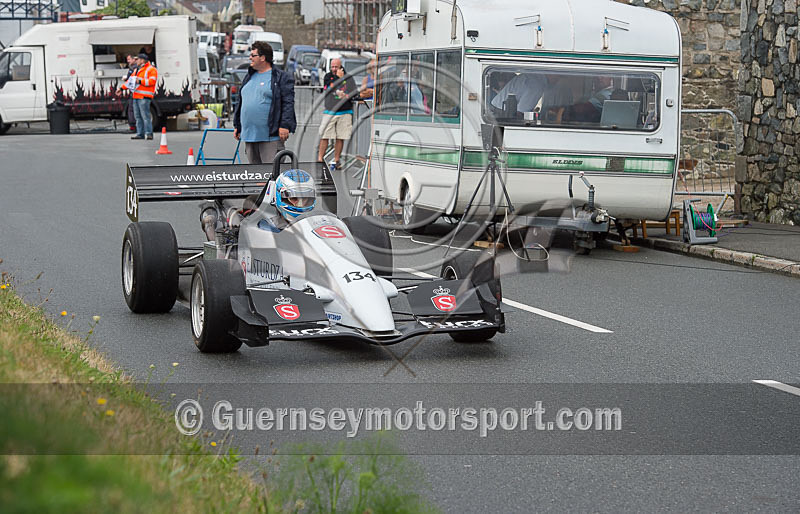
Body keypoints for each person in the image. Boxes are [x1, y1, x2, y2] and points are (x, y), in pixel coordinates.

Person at [233, 41, 296, 164]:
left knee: (270, 175)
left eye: (253, 55)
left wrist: (285, 125)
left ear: (263, 58)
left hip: (270, 136)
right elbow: (242, 101)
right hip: (250, 135)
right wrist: (238, 126)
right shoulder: (249, 76)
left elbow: (287, 103)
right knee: (256, 176)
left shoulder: (280, 77)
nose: (250, 58)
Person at [317, 58, 357, 169]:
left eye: (336, 67)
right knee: (325, 135)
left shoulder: (348, 77)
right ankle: (320, 159)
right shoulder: (328, 76)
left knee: (340, 137)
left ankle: (336, 160)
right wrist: (338, 77)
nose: (334, 69)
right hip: (330, 111)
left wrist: (347, 95)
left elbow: (354, 92)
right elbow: (328, 88)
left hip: (345, 111)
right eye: (332, 67)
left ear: (341, 67)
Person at [124, 53, 157, 140]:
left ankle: (149, 133)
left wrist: (140, 81)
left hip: (144, 96)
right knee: (138, 117)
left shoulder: (151, 69)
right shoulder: (137, 70)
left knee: (145, 116)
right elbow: (130, 81)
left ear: (142, 60)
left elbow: (152, 81)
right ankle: (140, 134)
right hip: (136, 96)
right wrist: (121, 88)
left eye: (137, 59)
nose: (136, 61)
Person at [116, 54, 138, 132]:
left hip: (136, 93)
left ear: (134, 59)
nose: (127, 61)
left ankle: (133, 126)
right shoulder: (136, 68)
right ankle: (140, 128)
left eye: (129, 59)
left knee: (132, 109)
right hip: (137, 93)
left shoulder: (134, 68)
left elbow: (131, 81)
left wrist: (122, 88)